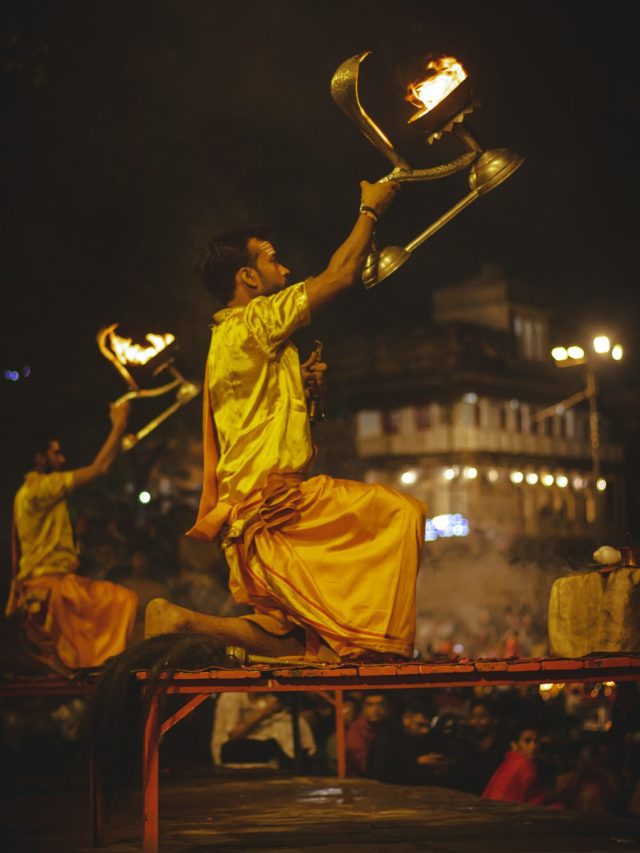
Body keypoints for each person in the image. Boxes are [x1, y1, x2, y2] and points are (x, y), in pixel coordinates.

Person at [143, 178, 426, 662]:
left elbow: (261, 423)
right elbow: (338, 276)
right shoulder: (255, 321)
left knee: (295, 640)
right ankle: (368, 644)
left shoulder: (229, 339)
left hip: (251, 514)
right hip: (278, 506)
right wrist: (370, 211)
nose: (285, 268)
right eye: (273, 259)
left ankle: (181, 620)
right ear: (248, 279)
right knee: (402, 513)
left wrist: (301, 389)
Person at [6, 403, 138, 672]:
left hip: (53, 584)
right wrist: (119, 424)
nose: (62, 460)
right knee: (123, 601)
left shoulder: (29, 492)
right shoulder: (41, 487)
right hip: (52, 589)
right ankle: (101, 671)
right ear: (39, 458)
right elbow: (98, 469)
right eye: (56, 453)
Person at [211, 691, 316, 770]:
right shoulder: (233, 696)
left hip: (256, 741)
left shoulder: (266, 695)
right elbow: (234, 734)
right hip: (228, 748)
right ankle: (298, 762)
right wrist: (266, 712)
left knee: (286, 727)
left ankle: (303, 757)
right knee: (275, 744)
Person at [367, 695, 456, 785]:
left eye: (429, 726)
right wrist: (418, 763)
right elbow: (382, 776)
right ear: (407, 718)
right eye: (420, 725)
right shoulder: (387, 737)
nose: (426, 731)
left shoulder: (430, 735)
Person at [345, 692, 390, 777]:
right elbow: (369, 768)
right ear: (362, 708)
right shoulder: (356, 733)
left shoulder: (385, 727)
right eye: (370, 705)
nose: (376, 709)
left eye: (380, 704)